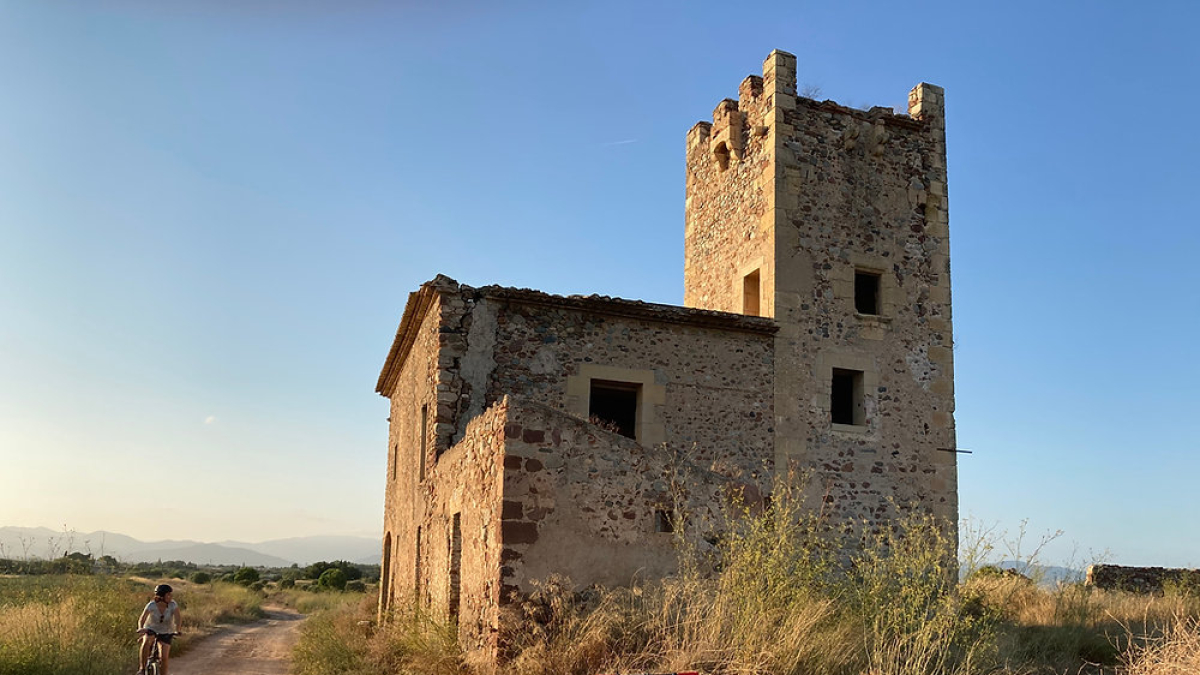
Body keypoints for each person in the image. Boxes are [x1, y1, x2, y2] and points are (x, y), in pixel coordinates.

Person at [136, 583, 182, 675]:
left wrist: (178, 630)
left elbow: (178, 618)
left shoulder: (173, 604)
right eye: (168, 594)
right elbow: (142, 618)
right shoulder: (151, 605)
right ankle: (142, 668)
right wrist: (141, 628)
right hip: (151, 628)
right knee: (146, 642)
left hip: (167, 631)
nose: (171, 596)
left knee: (164, 657)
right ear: (161, 596)